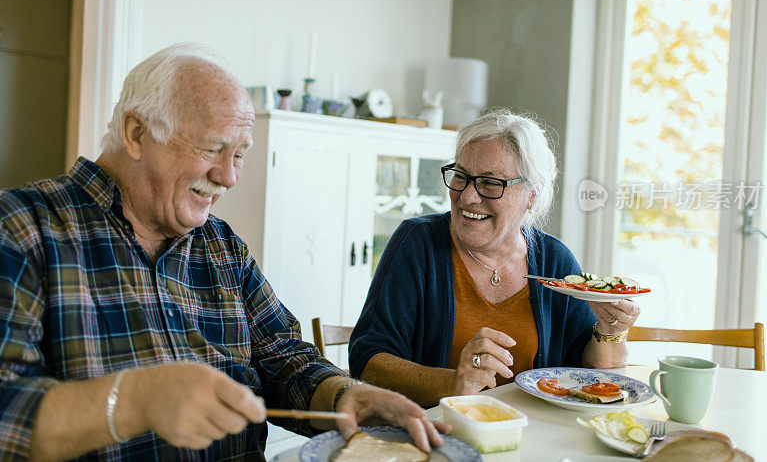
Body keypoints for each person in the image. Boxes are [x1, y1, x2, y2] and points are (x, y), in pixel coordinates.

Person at [0, 43, 447, 460]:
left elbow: (284, 357)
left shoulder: (221, 246)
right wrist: (136, 401)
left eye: (239, 155)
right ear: (135, 133)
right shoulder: (22, 230)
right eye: (213, 148)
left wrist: (347, 394)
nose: (229, 176)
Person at [348, 110, 641, 406]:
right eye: (461, 176)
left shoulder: (554, 260)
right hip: (437, 435)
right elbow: (368, 358)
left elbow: (591, 377)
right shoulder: (417, 244)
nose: (467, 197)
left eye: (490, 183)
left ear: (532, 196)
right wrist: (453, 383)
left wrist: (610, 331)